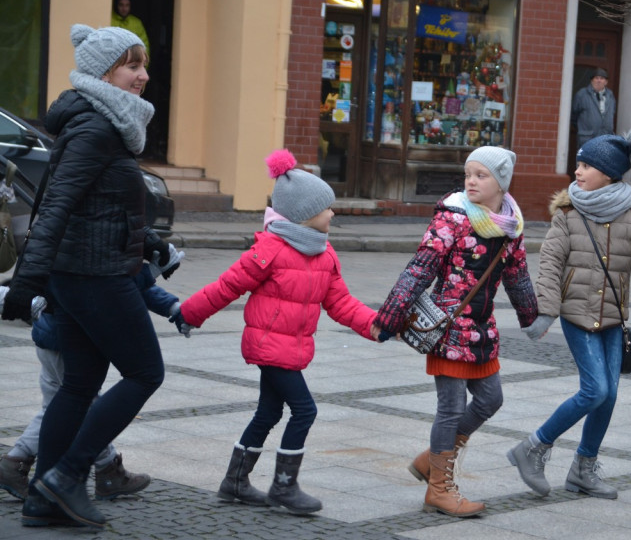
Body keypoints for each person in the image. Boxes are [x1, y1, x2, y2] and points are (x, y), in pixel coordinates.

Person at [0, 24, 171, 529]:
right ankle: (69, 475)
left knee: (78, 384)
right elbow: (55, 206)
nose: (141, 76)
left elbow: (98, 205)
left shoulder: (105, 124)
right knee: (145, 372)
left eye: (142, 65)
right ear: (103, 72)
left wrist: (149, 242)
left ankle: (42, 498)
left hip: (83, 270)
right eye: (130, 65)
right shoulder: (98, 128)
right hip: (93, 275)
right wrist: (25, 282)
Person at [178, 149, 381, 515]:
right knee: (304, 411)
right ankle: (284, 486)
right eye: (326, 208)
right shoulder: (270, 250)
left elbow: (342, 304)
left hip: (291, 347)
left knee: (269, 413)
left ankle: (235, 482)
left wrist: (376, 326)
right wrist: (189, 314)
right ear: (305, 215)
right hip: (269, 345)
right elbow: (228, 285)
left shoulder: (324, 254)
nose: (332, 213)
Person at [509, 130, 631, 500]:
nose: (578, 172)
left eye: (587, 166)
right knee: (595, 389)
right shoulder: (567, 215)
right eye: (578, 164)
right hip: (576, 316)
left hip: (613, 320)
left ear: (611, 174)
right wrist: (545, 311)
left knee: (609, 394)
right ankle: (532, 447)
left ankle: (583, 467)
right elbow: (549, 263)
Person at [375, 147, 538, 517]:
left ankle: (431, 459)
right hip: (447, 328)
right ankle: (440, 488)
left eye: (481, 175)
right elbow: (420, 268)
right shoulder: (453, 217)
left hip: (481, 329)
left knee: (490, 399)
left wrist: (532, 317)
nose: (471, 181)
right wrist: (389, 318)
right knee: (450, 409)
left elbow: (517, 275)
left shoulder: (511, 225)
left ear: (501, 183)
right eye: (468, 174)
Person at [0, 253, 182, 507]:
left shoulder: (66, 241)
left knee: (56, 406)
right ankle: (105, 471)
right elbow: (130, 286)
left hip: (48, 336)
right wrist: (155, 276)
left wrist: (171, 304)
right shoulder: (98, 245)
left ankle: (15, 463)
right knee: (82, 403)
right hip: (65, 340)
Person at [571, 68, 615, 147]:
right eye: (596, 78)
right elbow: (574, 116)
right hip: (587, 139)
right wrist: (584, 130)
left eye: (602, 78)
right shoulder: (582, 95)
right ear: (591, 81)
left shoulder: (610, 96)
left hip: (605, 139)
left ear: (606, 82)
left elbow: (612, 113)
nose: (599, 81)